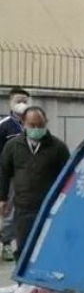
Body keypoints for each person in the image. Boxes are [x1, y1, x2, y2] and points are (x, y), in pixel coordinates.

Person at [0, 107, 69, 260]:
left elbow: (69, 177)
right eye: (32, 125)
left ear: (46, 123)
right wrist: (3, 198)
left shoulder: (58, 148)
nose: (37, 129)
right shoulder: (13, 146)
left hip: (49, 208)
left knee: (47, 248)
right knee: (24, 248)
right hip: (23, 207)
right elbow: (4, 172)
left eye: (40, 125)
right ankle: (23, 282)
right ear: (23, 123)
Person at [0, 88, 30, 260]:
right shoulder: (4, 125)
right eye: (19, 100)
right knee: (9, 210)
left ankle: (23, 244)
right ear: (10, 102)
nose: (22, 104)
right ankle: (6, 244)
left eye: (25, 101)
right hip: (10, 175)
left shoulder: (31, 123)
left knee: (25, 210)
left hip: (28, 175)